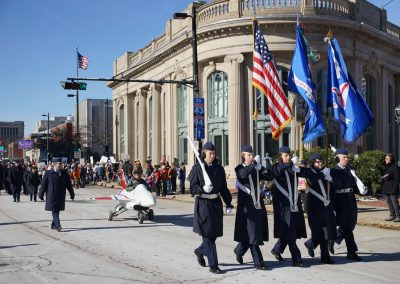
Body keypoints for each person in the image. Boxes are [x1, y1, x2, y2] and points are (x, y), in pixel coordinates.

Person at [270, 147, 326, 267]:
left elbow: (307, 175)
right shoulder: (276, 167)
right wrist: (290, 164)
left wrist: (319, 173)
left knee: (291, 231)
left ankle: (277, 250)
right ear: (280, 156)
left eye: (289, 155)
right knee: (290, 234)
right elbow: (277, 170)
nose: (288, 157)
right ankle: (297, 259)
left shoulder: (293, 169)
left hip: (295, 205)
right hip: (283, 207)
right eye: (285, 155)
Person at [188, 141, 233, 274]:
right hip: (203, 205)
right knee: (207, 236)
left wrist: (228, 203)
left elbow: (224, 188)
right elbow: (192, 188)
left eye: (214, 153)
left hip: (216, 204)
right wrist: (202, 189)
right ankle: (213, 265)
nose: (212, 156)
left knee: (213, 235)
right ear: (204, 154)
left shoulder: (219, 169)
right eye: (210, 153)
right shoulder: (197, 168)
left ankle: (200, 251)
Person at [233, 145, 273, 270]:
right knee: (253, 234)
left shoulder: (256, 169)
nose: (251, 156)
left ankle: (239, 251)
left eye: (252, 154)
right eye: (248, 155)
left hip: (258, 205)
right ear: (243, 156)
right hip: (246, 207)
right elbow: (244, 175)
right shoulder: (239, 168)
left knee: (253, 233)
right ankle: (259, 262)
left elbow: (270, 177)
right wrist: (254, 163)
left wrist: (263, 169)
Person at [329, 148, 362, 261]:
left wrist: (362, 190)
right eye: (344, 157)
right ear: (338, 158)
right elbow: (332, 189)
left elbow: (354, 184)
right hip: (340, 201)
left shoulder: (349, 170)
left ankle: (332, 239)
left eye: (347, 157)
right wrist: (332, 206)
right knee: (347, 228)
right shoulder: (334, 171)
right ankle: (351, 252)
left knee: (350, 225)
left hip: (350, 200)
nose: (347, 159)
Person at [304, 153, 336, 264]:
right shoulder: (309, 172)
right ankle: (310, 243)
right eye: (318, 162)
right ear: (313, 162)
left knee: (326, 232)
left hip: (326, 206)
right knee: (318, 232)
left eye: (321, 162)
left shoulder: (325, 172)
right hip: (314, 207)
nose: (320, 163)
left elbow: (330, 190)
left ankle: (325, 256)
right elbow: (311, 180)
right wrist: (323, 174)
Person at [39, 159, 75, 232]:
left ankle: (53, 225)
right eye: (59, 164)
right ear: (54, 165)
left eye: (61, 164)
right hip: (51, 196)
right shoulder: (48, 173)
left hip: (60, 196)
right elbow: (43, 185)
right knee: (55, 211)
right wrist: (41, 194)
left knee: (57, 211)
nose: (61, 165)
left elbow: (69, 185)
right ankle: (58, 226)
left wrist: (72, 194)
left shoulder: (64, 174)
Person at [381, 153, 400, 222]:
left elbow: (397, 179)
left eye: (387, 159)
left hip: (392, 188)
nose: (385, 160)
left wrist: (395, 189)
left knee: (395, 203)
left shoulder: (395, 167)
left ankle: (398, 216)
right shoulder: (386, 167)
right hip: (386, 188)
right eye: (385, 158)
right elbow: (385, 176)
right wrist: (382, 178)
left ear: (391, 159)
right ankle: (392, 215)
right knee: (389, 203)